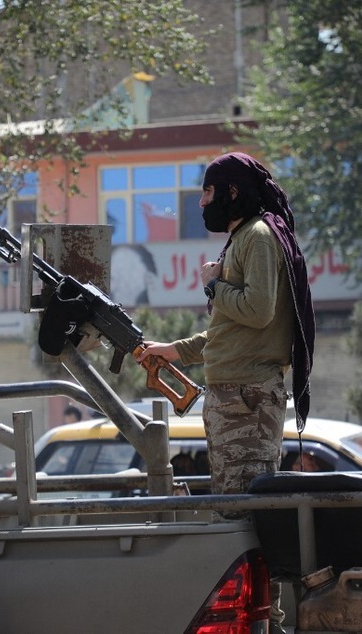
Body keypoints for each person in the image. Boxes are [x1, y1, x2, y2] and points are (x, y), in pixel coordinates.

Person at [138, 151, 316, 496]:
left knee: (242, 508)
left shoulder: (259, 237)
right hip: (234, 394)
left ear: (231, 192)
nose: (203, 203)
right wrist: (172, 351)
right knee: (232, 502)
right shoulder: (242, 238)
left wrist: (213, 286)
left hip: (246, 396)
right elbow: (231, 332)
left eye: (208, 192)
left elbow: (257, 310)